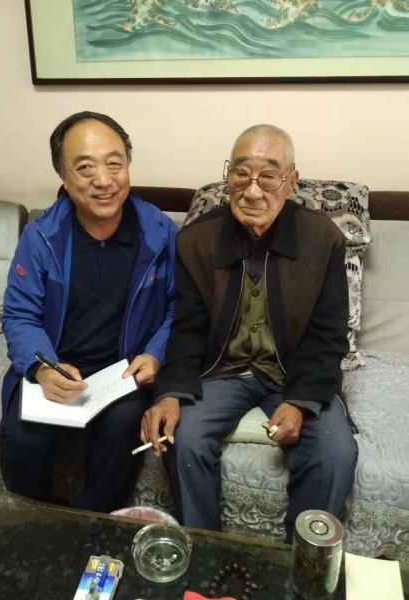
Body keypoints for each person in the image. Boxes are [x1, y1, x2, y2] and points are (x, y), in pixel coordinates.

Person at [141, 124, 358, 541]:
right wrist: (170, 393)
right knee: (183, 438)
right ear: (228, 176)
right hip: (222, 372)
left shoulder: (322, 239)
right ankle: (206, 552)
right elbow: (186, 328)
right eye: (241, 174)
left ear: (291, 182)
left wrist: (300, 402)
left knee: (335, 453)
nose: (253, 191)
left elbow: (329, 335)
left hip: (294, 375)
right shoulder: (196, 239)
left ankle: (301, 564)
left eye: (268, 176)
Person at [0, 111, 178, 512]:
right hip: (59, 367)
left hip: (121, 373)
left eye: (115, 163)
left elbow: (177, 308)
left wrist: (155, 354)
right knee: (22, 440)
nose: (103, 180)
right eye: (85, 168)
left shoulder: (161, 233)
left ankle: (94, 530)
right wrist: (42, 367)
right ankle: (33, 528)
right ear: (64, 177)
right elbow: (20, 315)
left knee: (123, 430)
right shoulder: (42, 236)